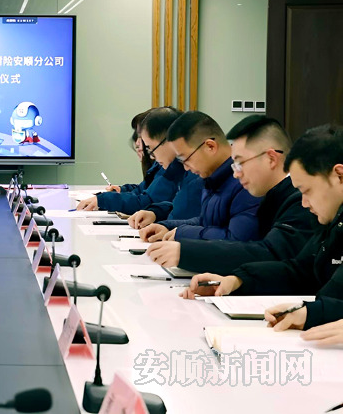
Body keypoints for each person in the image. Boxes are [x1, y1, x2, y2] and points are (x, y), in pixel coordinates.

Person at [182, 125, 343, 331]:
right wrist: (239, 280)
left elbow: (333, 296)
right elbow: (301, 271)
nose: (304, 203)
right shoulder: (330, 221)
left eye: (307, 190)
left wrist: (313, 313)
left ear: (339, 175)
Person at [147, 116, 316, 273]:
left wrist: (186, 252)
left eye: (240, 163)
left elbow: (269, 253)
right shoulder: (273, 195)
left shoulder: (299, 201)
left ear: (271, 159)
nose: (236, 174)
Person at [139, 111, 261, 242]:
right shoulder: (212, 178)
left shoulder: (244, 181)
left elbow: (236, 239)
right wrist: (167, 226)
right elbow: (205, 222)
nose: (186, 168)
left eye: (186, 159)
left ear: (210, 146)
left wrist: (182, 233)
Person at [77, 109, 173, 213]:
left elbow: (145, 202)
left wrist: (104, 200)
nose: (138, 143)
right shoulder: (162, 164)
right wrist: (122, 190)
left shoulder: (172, 169)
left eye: (141, 137)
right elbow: (144, 189)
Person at [126, 107, 203, 228]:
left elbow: (200, 221)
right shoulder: (178, 168)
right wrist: (155, 213)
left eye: (150, 149)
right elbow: (181, 209)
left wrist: (167, 227)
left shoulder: (196, 172)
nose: (151, 156)